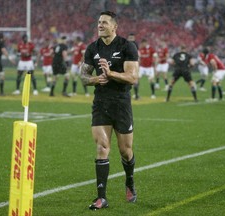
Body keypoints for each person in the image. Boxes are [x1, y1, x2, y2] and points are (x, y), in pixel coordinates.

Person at [80, 11, 139, 210]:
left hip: (121, 103)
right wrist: (96, 79)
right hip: (101, 103)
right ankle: (101, 197)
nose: (100, 25)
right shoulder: (92, 48)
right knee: (102, 147)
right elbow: (83, 77)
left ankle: (129, 181)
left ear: (114, 26)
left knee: (125, 150)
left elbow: (132, 77)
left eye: (104, 22)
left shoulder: (126, 46)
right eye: (98, 22)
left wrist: (110, 73)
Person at [127, 33, 139, 100]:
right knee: (132, 79)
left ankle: (136, 95)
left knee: (134, 79)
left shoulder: (134, 45)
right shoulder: (134, 45)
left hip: (133, 64)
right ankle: (135, 95)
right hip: (129, 64)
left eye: (132, 38)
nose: (131, 39)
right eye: (130, 38)